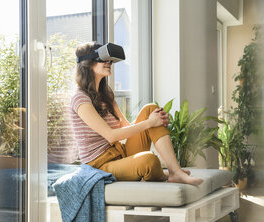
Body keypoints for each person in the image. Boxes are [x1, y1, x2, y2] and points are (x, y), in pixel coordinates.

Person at [70, 42, 203, 186]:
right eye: (103, 58)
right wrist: (150, 123)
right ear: (87, 63)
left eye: (109, 58)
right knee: (149, 160)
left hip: (120, 153)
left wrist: (155, 122)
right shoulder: (80, 99)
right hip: (99, 166)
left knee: (151, 109)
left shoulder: (106, 95)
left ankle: (175, 172)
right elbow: (111, 135)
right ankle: (164, 175)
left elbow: (126, 126)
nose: (109, 61)